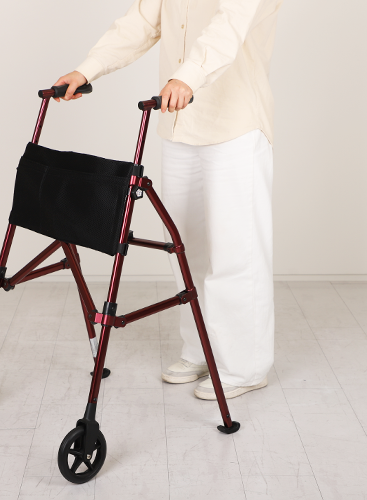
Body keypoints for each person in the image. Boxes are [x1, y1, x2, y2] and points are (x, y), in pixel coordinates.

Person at [53, 0, 283, 400]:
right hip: (179, 122)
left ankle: (244, 367)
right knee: (184, 248)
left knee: (237, 251)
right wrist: (88, 69)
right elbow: (142, 22)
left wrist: (187, 77)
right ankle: (200, 350)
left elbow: (229, 25)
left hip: (235, 125)